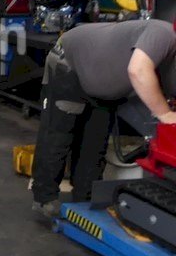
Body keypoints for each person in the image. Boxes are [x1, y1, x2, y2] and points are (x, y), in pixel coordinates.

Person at [31, 19, 176, 219]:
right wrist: (165, 114)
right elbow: (138, 70)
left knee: (95, 142)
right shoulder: (163, 34)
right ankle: (44, 197)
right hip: (70, 64)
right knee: (58, 136)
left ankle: (84, 198)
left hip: (103, 86)